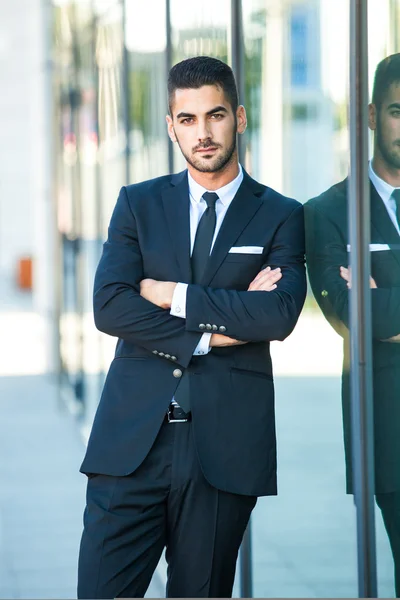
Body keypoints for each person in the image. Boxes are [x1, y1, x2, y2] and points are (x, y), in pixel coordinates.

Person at [77, 55, 307, 599]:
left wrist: (171, 295)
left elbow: (277, 315)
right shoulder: (137, 204)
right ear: (171, 125)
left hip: (222, 450)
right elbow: (110, 307)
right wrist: (216, 328)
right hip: (131, 444)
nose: (202, 133)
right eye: (188, 119)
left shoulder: (280, 213)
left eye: (216, 115)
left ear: (240, 118)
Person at [305, 53, 400, 598]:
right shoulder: (329, 212)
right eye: (395, 110)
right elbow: (352, 316)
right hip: (392, 435)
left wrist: (384, 300)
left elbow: (379, 313)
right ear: (370, 115)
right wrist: (370, 309)